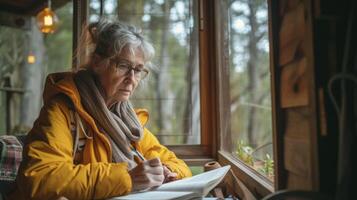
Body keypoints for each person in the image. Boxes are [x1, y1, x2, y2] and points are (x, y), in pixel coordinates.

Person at [8, 19, 192, 200]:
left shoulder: (128, 120)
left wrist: (167, 172)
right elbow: (41, 178)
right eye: (123, 66)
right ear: (97, 63)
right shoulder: (63, 109)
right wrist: (127, 178)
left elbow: (179, 165)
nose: (131, 78)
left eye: (138, 70)